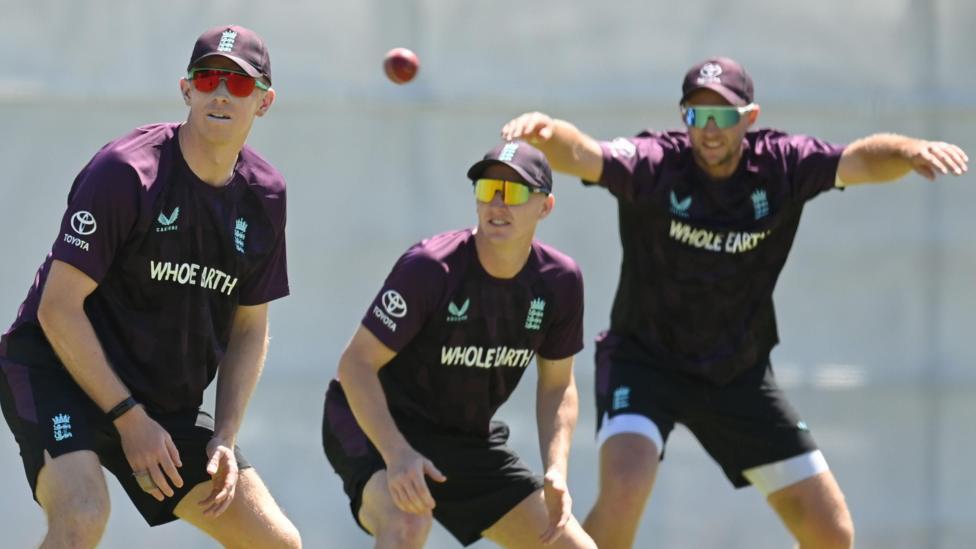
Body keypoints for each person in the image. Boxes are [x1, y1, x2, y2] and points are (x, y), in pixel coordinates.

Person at [501, 56, 969, 548]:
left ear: (750, 117)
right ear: (683, 117)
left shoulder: (783, 165)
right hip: (644, 364)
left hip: (737, 374)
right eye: (696, 115)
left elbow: (860, 160)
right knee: (624, 491)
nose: (709, 129)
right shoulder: (657, 163)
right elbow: (584, 153)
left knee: (831, 532)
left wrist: (910, 150)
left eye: (723, 115)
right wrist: (547, 133)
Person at [0, 25, 301, 548]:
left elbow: (250, 326)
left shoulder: (266, 195)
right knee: (83, 515)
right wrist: (128, 419)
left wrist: (225, 435)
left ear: (264, 101)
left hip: (162, 401)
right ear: (186, 91)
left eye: (238, 83)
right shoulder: (127, 170)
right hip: (58, 371)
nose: (221, 93)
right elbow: (58, 308)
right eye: (207, 79)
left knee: (278, 543)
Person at [322, 141, 596, 549]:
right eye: (487, 189)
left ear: (545, 206)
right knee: (407, 522)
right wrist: (397, 454)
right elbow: (355, 365)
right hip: (375, 423)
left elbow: (558, 384)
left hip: (464, 439)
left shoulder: (560, 281)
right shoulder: (431, 267)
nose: (498, 203)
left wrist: (556, 468)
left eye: (514, 191)